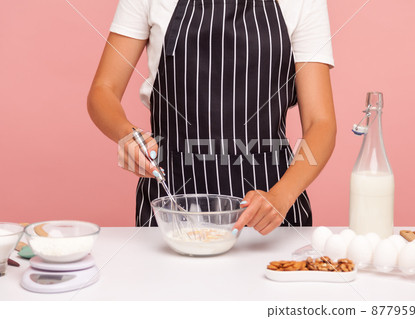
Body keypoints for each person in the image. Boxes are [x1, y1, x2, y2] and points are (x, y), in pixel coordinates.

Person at [87, 0, 336, 235]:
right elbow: (103, 90)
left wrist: (281, 197)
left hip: (272, 221)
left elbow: (320, 122)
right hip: (169, 214)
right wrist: (127, 136)